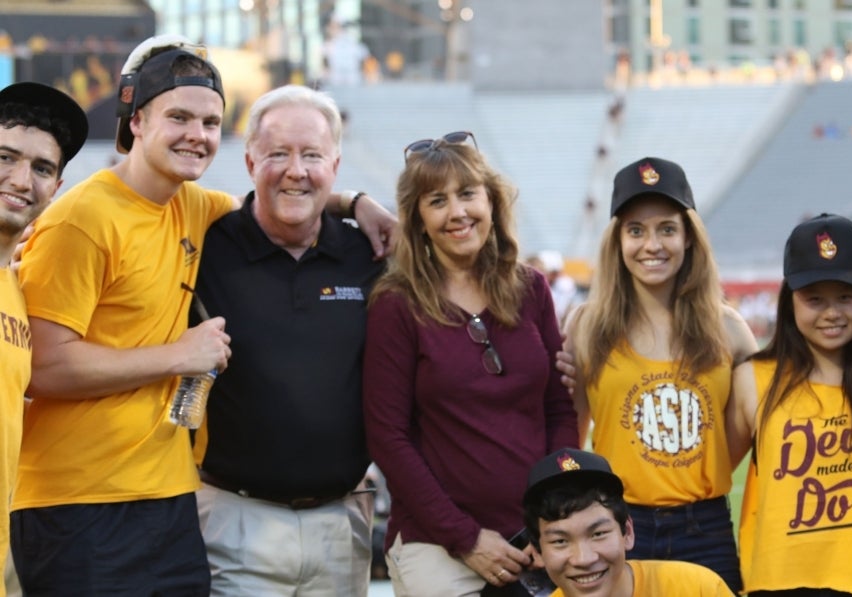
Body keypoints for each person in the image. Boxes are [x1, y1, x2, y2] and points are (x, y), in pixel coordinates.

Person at [11, 36, 394, 595]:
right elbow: (43, 368)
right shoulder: (82, 219)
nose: (197, 134)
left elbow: (283, 193)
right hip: (79, 501)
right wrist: (178, 356)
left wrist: (356, 200)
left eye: (211, 121)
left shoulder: (194, 206)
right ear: (136, 121)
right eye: (179, 117)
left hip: (167, 501)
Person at [362, 131, 578, 596]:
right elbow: (387, 437)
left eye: (467, 194)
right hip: (437, 545)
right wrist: (464, 537)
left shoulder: (532, 288)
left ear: (492, 201)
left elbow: (558, 411)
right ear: (418, 219)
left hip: (535, 538)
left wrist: (553, 518)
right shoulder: (396, 305)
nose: (457, 213)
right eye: (437, 200)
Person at [192, 85, 383, 595]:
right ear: (251, 160)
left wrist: (360, 204)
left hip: (341, 523)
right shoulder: (207, 243)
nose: (296, 170)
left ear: (336, 165)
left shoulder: (369, 253)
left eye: (312, 155)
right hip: (233, 519)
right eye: (278, 153)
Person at [564, 156, 758, 592]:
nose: (652, 244)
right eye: (636, 230)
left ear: (689, 237)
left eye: (666, 229)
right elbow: (569, 436)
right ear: (617, 242)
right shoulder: (586, 326)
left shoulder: (728, 329)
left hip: (705, 525)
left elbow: (749, 422)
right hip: (620, 526)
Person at [727, 213, 852, 596]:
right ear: (789, 301)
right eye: (814, 299)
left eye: (845, 296)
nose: (831, 312)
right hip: (779, 580)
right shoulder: (753, 379)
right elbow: (713, 474)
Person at [0, 81, 88, 596]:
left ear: (56, 187)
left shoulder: (18, 287)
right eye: (5, 157)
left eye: (41, 168)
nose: (20, 179)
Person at [522, 448, 735, 597]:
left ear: (628, 532)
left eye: (598, 534)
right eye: (560, 541)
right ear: (538, 552)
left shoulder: (697, 589)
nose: (584, 559)